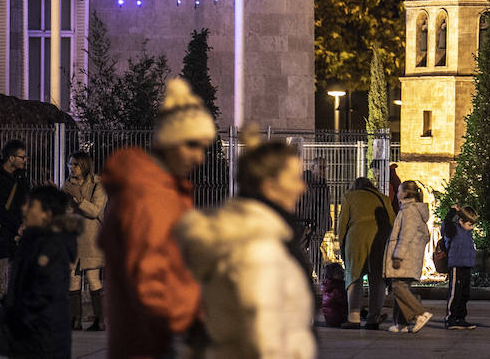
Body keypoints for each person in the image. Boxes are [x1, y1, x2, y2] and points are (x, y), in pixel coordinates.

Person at [174, 128, 316, 359]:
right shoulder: (259, 246)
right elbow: (263, 335)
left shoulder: (261, 233)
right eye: (294, 178)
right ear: (269, 186)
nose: (303, 187)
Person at [99, 77, 214, 358]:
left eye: (203, 148)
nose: (199, 158)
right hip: (156, 342)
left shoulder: (164, 191)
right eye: (192, 145)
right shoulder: (149, 197)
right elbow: (151, 282)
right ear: (169, 141)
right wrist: (193, 321)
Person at [0, 184, 80, 359]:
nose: (24, 208)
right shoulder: (33, 241)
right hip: (29, 337)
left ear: (47, 215)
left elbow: (45, 295)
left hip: (42, 340)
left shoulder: (51, 247)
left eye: (31, 205)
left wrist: (16, 312)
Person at [0, 139, 29, 332]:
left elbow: (26, 200)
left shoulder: (21, 177)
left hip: (19, 234)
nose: (25, 160)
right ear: (11, 158)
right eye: (22, 157)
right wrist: (17, 225)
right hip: (1, 233)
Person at [337, 175, 394, 329]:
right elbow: (392, 221)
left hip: (356, 239)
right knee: (377, 279)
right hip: (379, 240)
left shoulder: (349, 197)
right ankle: (373, 318)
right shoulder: (383, 198)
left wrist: (342, 245)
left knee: (354, 277)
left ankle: (354, 317)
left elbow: (342, 225)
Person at [63, 151, 106, 331]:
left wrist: (79, 198)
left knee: (92, 278)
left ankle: (100, 320)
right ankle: (75, 320)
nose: (71, 168)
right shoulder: (68, 185)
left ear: (84, 165)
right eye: (70, 164)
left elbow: (95, 211)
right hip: (72, 238)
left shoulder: (98, 185)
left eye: (75, 165)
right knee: (72, 279)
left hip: (90, 239)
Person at [385, 180, 433, 332]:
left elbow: (406, 235)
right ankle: (402, 324)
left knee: (398, 286)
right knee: (401, 288)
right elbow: (424, 236)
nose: (397, 193)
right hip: (410, 255)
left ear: (404, 194)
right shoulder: (410, 210)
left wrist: (398, 255)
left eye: (399, 190)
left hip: (405, 257)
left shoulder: (409, 211)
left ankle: (420, 313)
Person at [442, 204, 478, 330]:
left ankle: (461, 318)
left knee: (464, 293)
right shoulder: (453, 229)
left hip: (467, 265)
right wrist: (452, 211)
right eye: (469, 224)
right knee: (455, 293)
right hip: (456, 265)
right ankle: (451, 318)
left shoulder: (467, 231)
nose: (471, 227)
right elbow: (446, 223)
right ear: (461, 221)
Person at [295, 156, 331, 270]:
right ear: (312, 167)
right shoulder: (302, 183)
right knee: (306, 254)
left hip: (317, 225)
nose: (323, 170)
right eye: (321, 167)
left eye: (325, 168)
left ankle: (316, 280)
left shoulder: (323, 185)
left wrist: (326, 222)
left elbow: (325, 206)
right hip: (304, 224)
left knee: (313, 254)